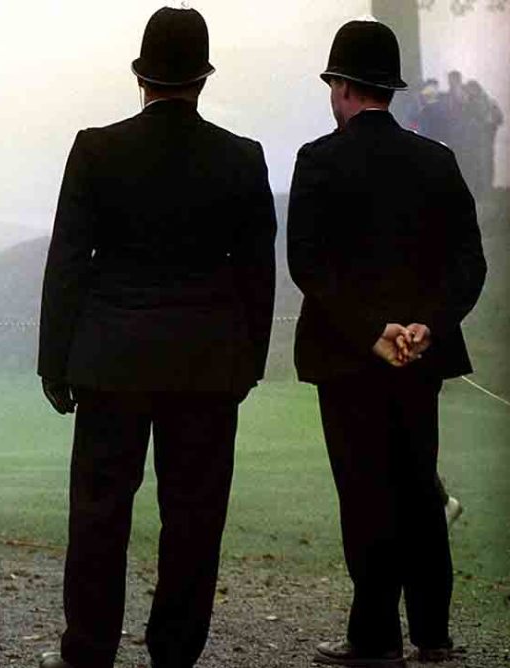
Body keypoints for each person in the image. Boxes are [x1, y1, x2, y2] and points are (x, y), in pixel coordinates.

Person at [36, 7, 275, 668]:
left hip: (111, 361)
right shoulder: (242, 158)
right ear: (204, 78)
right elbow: (258, 275)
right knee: (194, 520)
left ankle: (88, 649)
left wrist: (54, 365)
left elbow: (68, 265)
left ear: (139, 76)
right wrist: (248, 363)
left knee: (98, 514)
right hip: (205, 366)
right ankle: (174, 653)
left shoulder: (95, 148)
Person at [287, 19, 486, 667]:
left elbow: (310, 269)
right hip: (421, 358)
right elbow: (467, 265)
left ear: (341, 87)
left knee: (365, 492)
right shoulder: (437, 162)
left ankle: (373, 638)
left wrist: (374, 331)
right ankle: (433, 635)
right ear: (389, 90)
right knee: (420, 490)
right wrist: (425, 324)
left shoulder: (318, 162)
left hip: (348, 359)